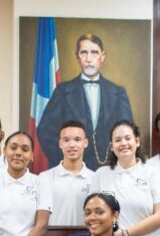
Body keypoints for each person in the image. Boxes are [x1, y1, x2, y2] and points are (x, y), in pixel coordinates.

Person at [37, 33, 135, 170]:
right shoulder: (63, 91)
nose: (89, 59)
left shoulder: (118, 93)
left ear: (103, 56)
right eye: (84, 53)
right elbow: (45, 131)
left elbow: (128, 132)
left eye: (94, 53)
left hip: (110, 168)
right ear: (77, 57)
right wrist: (68, 159)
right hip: (73, 169)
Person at [38, 120, 94, 227]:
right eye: (66, 140)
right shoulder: (45, 178)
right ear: (60, 143)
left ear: (85, 143)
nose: (72, 145)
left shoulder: (95, 178)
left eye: (77, 139)